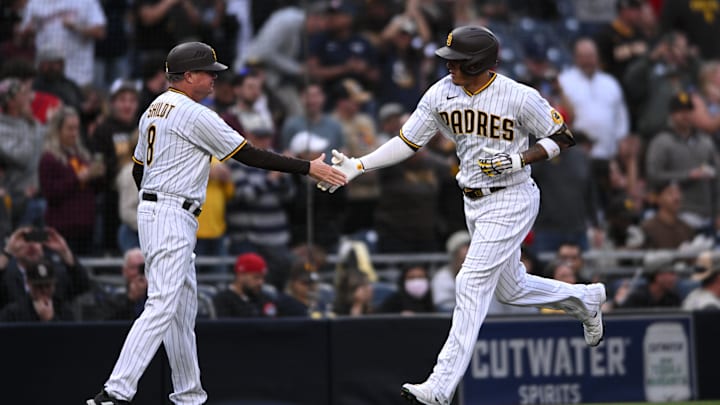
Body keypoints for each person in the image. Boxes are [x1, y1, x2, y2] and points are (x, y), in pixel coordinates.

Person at [318, 25, 607, 405]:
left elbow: (562, 137)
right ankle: (585, 298)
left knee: (469, 281)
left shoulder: (520, 96)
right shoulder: (441, 93)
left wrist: (519, 158)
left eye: (457, 62)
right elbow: (407, 141)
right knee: (510, 287)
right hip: (473, 201)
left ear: (480, 63)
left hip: (512, 196)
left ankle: (441, 385)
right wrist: (360, 165)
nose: (449, 67)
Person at [87, 41, 346, 405]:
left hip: (163, 211)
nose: (214, 79)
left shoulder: (154, 108)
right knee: (163, 304)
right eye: (208, 73)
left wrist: (153, 206)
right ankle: (116, 392)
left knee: (181, 310)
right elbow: (249, 154)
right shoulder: (194, 113)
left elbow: (137, 169)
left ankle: (189, 395)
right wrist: (307, 167)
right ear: (188, 75)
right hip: (171, 214)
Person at [0, 259, 74, 322]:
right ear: (28, 284)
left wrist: (51, 319)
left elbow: (70, 337)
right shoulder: (12, 312)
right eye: (38, 286)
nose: (44, 290)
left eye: (47, 286)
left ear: (54, 284)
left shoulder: (64, 310)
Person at [213, 252, 277, 318]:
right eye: (256, 277)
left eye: (263, 278)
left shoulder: (264, 298)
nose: (261, 282)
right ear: (240, 275)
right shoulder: (223, 301)